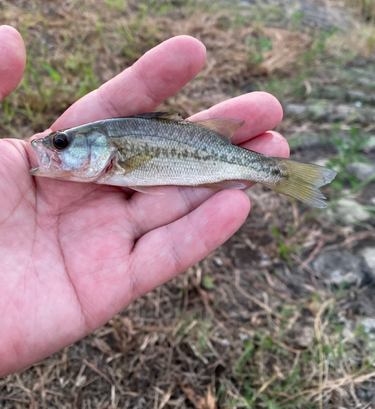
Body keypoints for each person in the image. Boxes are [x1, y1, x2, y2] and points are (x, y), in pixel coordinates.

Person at [0, 25, 289, 376]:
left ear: (103, 149)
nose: (48, 146)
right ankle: (278, 173)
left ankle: (278, 174)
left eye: (60, 143)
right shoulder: (105, 155)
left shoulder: (116, 154)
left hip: (205, 161)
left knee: (259, 169)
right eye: (60, 142)